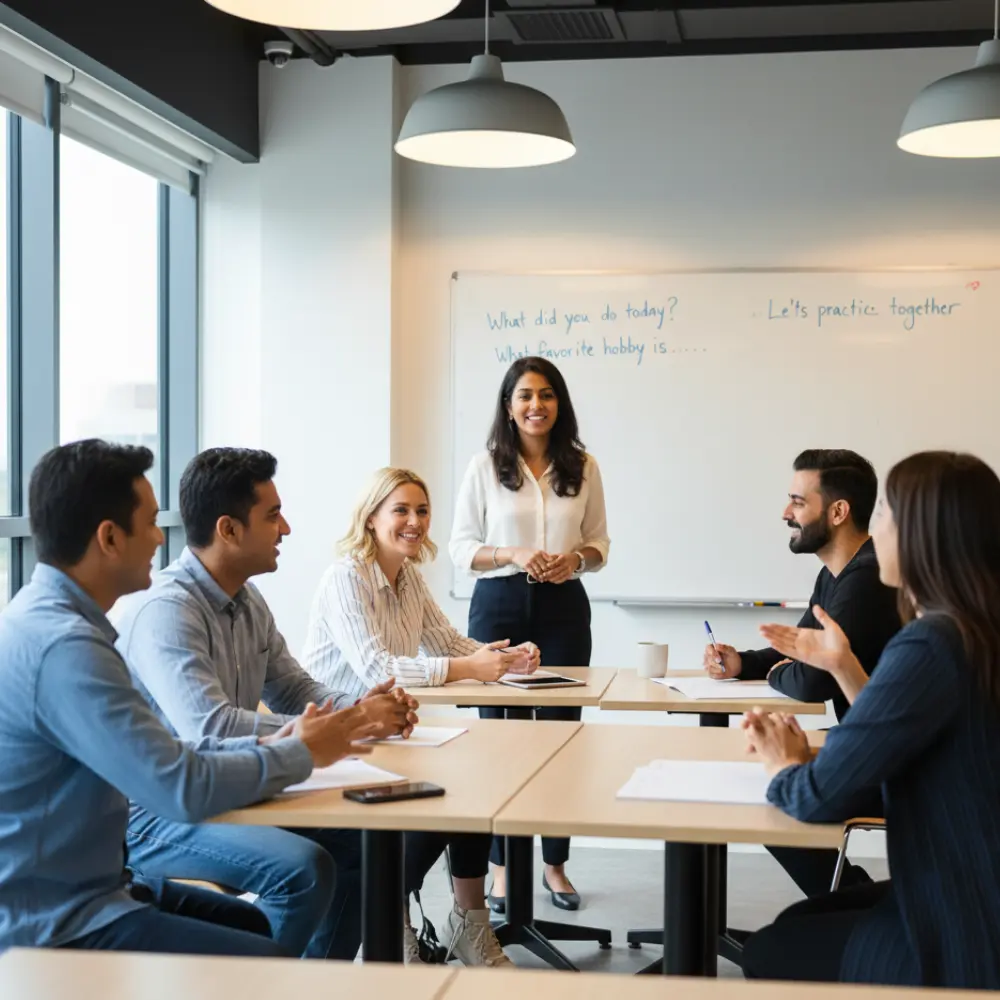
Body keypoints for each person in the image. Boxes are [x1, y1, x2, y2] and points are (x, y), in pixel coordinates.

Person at [0, 439, 373, 955]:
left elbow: (180, 756)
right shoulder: (68, 649)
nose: (161, 537)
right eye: (151, 522)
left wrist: (321, 731)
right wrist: (300, 751)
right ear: (109, 538)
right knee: (270, 959)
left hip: (105, 885)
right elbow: (179, 785)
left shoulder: (54, 623)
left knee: (260, 932)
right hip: (57, 924)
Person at [114, 448, 416, 961]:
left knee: (367, 844)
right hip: (158, 808)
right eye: (273, 516)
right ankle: (266, 985)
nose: (288, 529)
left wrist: (365, 706)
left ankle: (311, 981)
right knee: (304, 870)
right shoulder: (166, 610)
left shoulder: (248, 599)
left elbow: (294, 688)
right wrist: (345, 724)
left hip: (234, 782)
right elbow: (209, 725)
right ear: (228, 530)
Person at [741, 451, 1000, 988]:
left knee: (768, 951)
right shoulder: (976, 627)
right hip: (971, 882)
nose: (873, 528)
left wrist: (779, 766)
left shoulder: (932, 643)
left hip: (964, 926)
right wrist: (845, 666)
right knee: (803, 920)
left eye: (883, 513)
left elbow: (816, 800)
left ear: (924, 534)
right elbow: (905, 736)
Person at [302, 466, 538, 966]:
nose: (415, 521)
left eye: (422, 510)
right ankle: (394, 926)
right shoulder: (345, 577)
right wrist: (468, 666)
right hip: (341, 739)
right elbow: (376, 668)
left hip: (388, 731)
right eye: (401, 510)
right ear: (371, 518)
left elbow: (448, 643)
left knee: (475, 783)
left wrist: (505, 658)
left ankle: (466, 922)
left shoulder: (408, 576)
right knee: (428, 808)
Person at [449, 356, 610, 914]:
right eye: (524, 396)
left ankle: (555, 864)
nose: (535, 405)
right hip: (497, 605)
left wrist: (577, 561)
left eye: (546, 395)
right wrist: (512, 552)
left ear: (558, 403)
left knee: (562, 736)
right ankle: (500, 867)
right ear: (508, 405)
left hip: (565, 605)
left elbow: (600, 545)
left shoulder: (584, 467)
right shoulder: (484, 466)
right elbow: (461, 549)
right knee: (501, 738)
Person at [702, 448, 900, 898]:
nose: (785, 513)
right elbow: (802, 648)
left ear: (837, 512)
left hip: (890, 761)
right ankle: (852, 902)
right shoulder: (837, 573)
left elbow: (812, 679)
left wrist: (779, 673)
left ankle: (853, 905)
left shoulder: (865, 581)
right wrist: (744, 663)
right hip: (862, 742)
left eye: (796, 501)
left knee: (770, 793)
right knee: (761, 783)